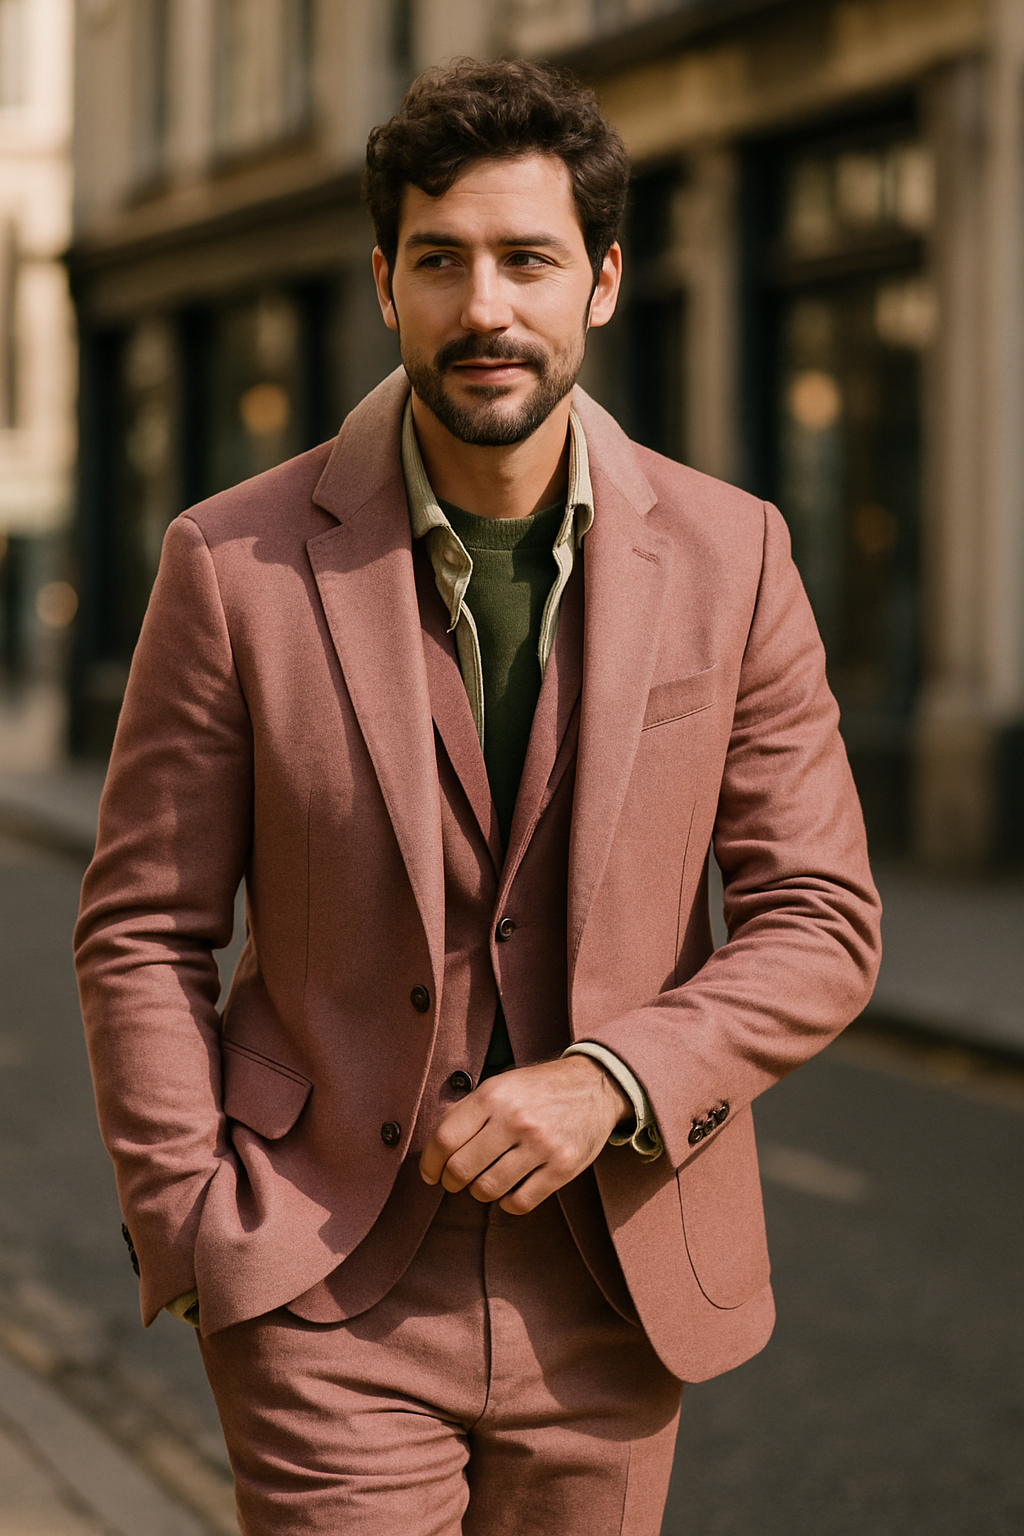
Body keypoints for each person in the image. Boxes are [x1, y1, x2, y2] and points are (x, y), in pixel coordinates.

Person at [75, 58, 881, 1536]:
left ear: (605, 282)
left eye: (528, 260)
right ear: (384, 283)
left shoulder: (736, 555)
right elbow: (141, 922)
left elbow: (821, 915)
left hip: (617, 1277)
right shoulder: (230, 563)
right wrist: (192, 1220)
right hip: (321, 1280)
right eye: (440, 262)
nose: (486, 307)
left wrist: (614, 1080)